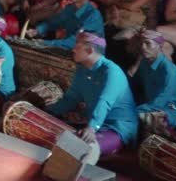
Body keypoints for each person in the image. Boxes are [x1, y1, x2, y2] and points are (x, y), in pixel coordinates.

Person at [46, 32, 138, 160]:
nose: (73, 49)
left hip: (117, 127)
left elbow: (104, 101)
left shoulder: (112, 71)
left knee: (85, 149)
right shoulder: (82, 69)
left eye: (77, 47)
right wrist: (49, 112)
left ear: (89, 50)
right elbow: (71, 98)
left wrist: (92, 127)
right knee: (53, 134)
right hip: (91, 122)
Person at [130, 30, 176, 137]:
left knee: (145, 117)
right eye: (142, 43)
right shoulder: (144, 62)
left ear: (159, 46)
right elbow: (135, 85)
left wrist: (133, 110)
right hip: (151, 106)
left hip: (171, 111)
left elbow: (159, 102)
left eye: (148, 43)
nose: (143, 47)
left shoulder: (169, 72)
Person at [28, 0, 105, 49]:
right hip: (76, 51)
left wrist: (47, 43)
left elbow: (75, 41)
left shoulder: (93, 15)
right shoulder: (70, 9)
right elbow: (53, 23)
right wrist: (37, 30)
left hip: (90, 54)